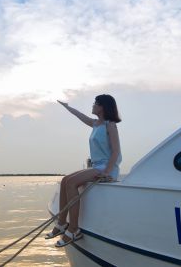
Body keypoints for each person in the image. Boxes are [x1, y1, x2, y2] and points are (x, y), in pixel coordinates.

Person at [45, 94, 122, 247]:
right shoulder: (95, 124)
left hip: (107, 167)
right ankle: (61, 223)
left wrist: (107, 172)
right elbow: (79, 116)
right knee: (65, 180)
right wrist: (67, 107)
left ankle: (73, 229)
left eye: (95, 103)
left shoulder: (110, 125)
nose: (93, 105)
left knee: (72, 183)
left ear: (102, 107)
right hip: (96, 166)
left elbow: (115, 151)